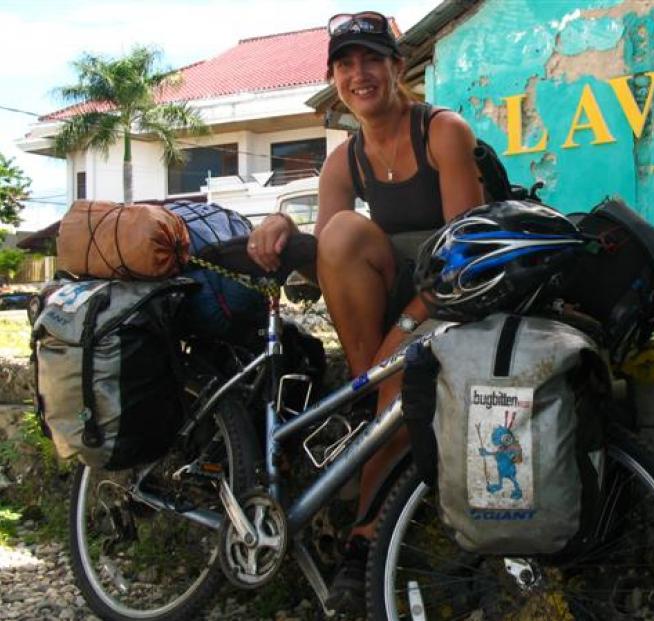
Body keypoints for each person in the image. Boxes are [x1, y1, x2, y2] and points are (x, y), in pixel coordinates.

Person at [247, 10, 484, 614]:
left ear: (397, 67)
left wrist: (404, 328)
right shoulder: (340, 162)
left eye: (371, 60)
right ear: (335, 79)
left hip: (452, 296)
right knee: (346, 232)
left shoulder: (443, 131)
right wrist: (278, 225)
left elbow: (466, 253)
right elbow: (330, 254)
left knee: (391, 381)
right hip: (387, 311)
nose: (360, 74)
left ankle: (363, 538)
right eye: (346, 65)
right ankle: (377, 403)